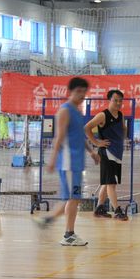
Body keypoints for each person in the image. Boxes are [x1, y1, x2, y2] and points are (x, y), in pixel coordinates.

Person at [37, 78, 97, 246]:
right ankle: (67, 234)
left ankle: (49, 221)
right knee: (72, 198)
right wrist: (52, 159)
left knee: (73, 198)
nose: (81, 95)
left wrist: (91, 151)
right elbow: (59, 137)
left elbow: (79, 136)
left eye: (84, 91)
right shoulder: (64, 111)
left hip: (77, 163)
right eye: (78, 91)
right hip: (68, 162)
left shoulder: (78, 112)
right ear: (70, 92)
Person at [86, 89, 128, 221]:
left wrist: (122, 138)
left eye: (120, 101)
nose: (118, 103)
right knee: (111, 183)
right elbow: (86, 128)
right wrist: (96, 143)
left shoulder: (120, 115)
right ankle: (117, 210)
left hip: (117, 153)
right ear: (109, 100)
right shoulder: (102, 115)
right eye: (115, 100)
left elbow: (123, 128)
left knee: (106, 182)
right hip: (107, 153)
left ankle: (99, 208)